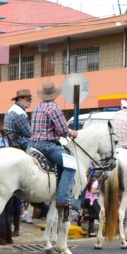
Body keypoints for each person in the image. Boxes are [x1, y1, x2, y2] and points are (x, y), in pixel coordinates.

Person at [29, 81, 78, 209]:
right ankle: (62, 198)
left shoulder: (37, 107)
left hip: (32, 145)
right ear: (55, 95)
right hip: (47, 146)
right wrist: (72, 133)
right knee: (71, 164)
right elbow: (63, 130)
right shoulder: (54, 108)